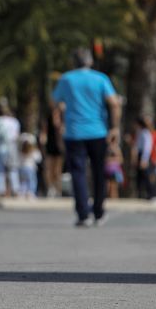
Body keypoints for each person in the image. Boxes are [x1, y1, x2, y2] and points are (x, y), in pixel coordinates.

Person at [51, 47, 121, 227]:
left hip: (74, 133)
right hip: (98, 132)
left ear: (73, 62)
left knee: (78, 173)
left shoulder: (66, 79)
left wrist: (60, 119)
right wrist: (114, 128)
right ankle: (98, 211)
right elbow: (114, 103)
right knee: (99, 172)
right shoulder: (100, 79)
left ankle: (83, 214)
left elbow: (55, 102)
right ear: (90, 61)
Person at [41, 104, 64, 197]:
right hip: (50, 145)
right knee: (48, 168)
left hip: (59, 146)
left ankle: (58, 189)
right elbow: (44, 132)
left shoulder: (63, 119)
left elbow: (61, 131)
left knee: (58, 170)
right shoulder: (47, 119)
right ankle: (50, 188)